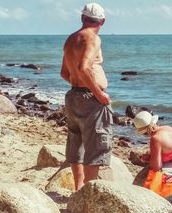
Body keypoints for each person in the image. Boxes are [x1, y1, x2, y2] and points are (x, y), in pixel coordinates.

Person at [60, 3, 112, 191]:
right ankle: (88, 193)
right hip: (91, 98)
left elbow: (65, 73)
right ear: (103, 21)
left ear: (82, 18)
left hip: (73, 96)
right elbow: (84, 67)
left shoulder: (71, 39)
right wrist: (99, 94)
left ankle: (78, 188)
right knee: (96, 146)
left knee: (76, 143)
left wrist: (79, 87)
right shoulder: (93, 38)